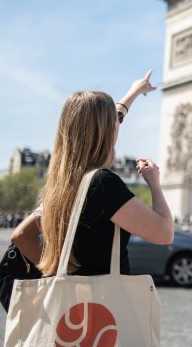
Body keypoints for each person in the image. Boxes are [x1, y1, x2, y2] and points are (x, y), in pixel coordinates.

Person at [10, 70, 174, 277]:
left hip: (74, 304)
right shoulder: (103, 184)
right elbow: (165, 232)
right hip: (106, 304)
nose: (119, 123)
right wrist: (154, 183)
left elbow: (21, 235)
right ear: (107, 131)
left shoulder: (68, 182)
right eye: (116, 121)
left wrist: (61, 271)